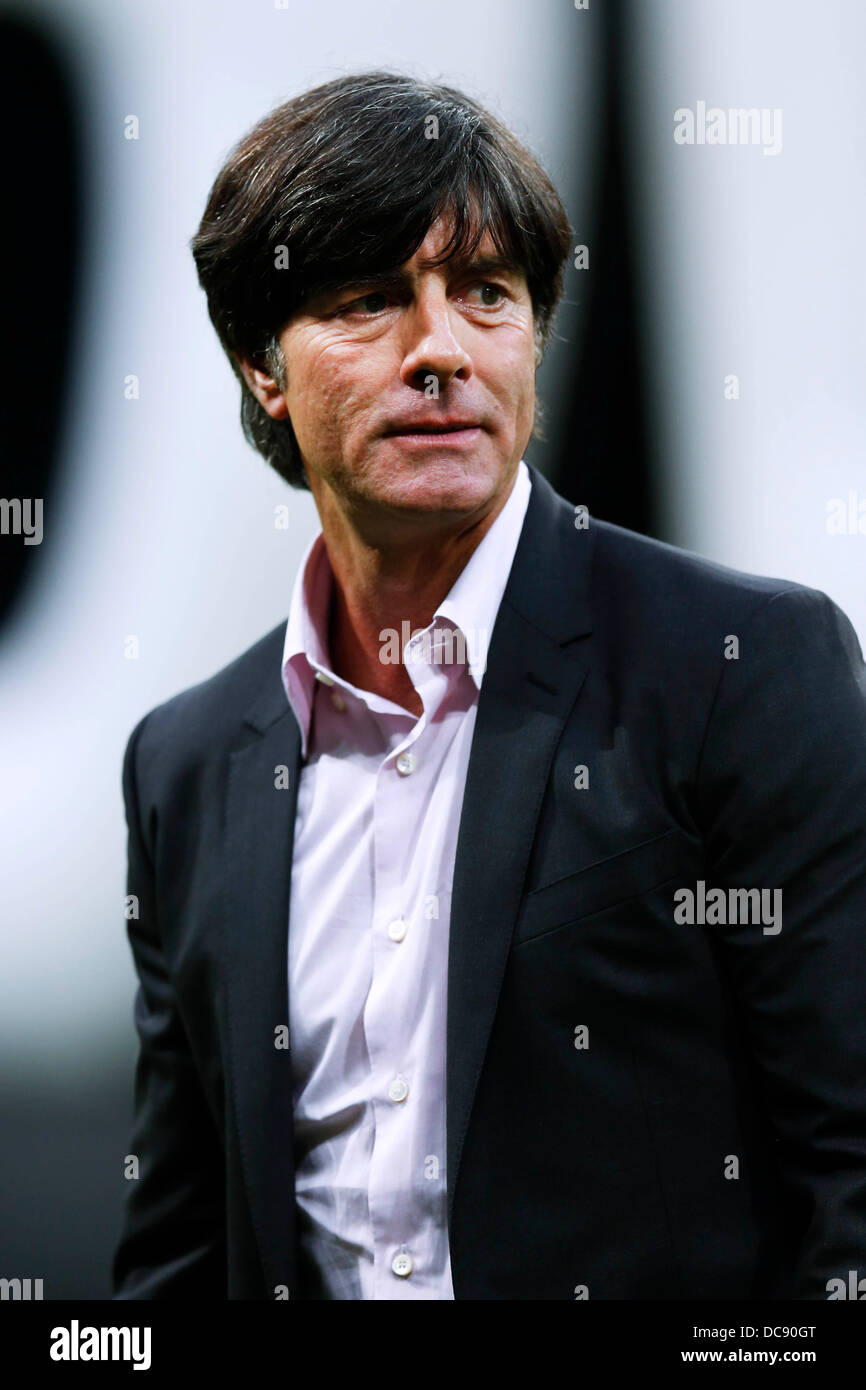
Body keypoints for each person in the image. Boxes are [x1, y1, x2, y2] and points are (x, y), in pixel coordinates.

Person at [112, 70, 866, 1301]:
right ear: (261, 364)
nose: (442, 352)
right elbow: (178, 1251)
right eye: (369, 301)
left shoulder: (740, 666)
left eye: (485, 295)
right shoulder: (185, 762)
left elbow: (852, 1173)